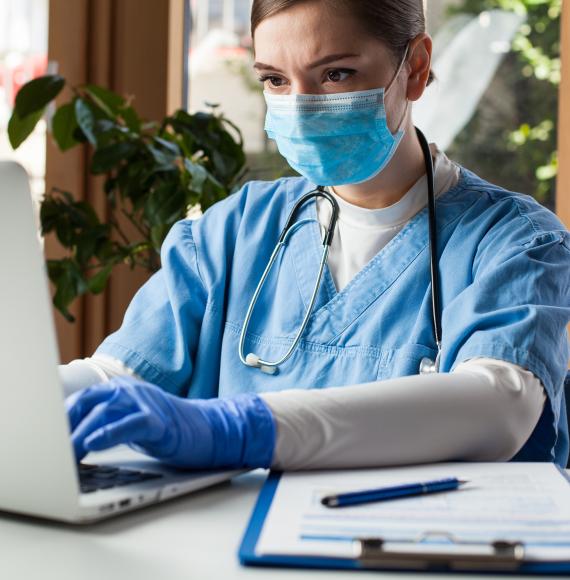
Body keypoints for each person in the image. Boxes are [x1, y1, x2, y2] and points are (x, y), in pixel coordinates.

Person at [62, 0, 570, 471]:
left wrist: (241, 430)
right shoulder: (234, 232)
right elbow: (116, 378)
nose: (301, 107)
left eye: (335, 74)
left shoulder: (514, 242)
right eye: (276, 80)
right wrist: (38, 402)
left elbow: (501, 402)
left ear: (414, 68)